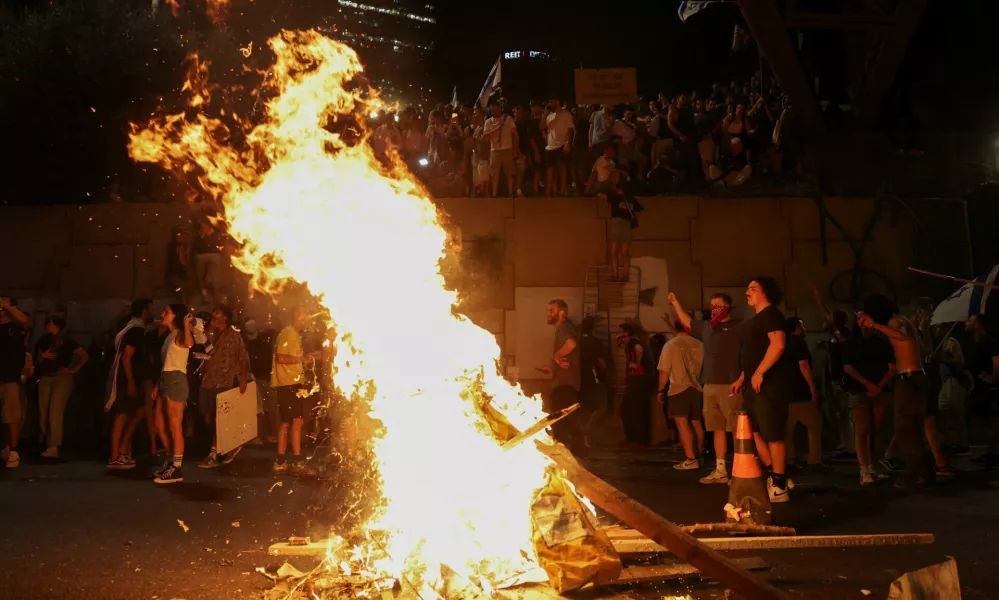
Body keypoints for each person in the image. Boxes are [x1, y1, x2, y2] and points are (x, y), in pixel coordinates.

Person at [669, 292, 743, 484]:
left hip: (730, 385)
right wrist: (676, 302)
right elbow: (688, 322)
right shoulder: (707, 327)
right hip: (709, 385)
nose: (714, 309)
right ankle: (720, 470)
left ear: (727, 308)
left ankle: (740, 471)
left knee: (736, 429)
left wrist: (743, 377)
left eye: (717, 305)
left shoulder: (739, 327)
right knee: (716, 427)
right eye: (712, 306)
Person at [857, 297, 929, 490]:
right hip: (911, 377)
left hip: (909, 378)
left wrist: (875, 325)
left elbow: (901, 336)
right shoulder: (901, 320)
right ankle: (923, 472)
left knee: (905, 428)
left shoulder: (895, 322)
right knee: (910, 427)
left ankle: (916, 475)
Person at [732, 277, 792, 502]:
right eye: (747, 287)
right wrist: (742, 377)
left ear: (766, 292)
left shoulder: (772, 316)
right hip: (752, 386)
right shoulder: (755, 320)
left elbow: (778, 345)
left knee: (773, 434)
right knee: (754, 431)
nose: (747, 292)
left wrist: (760, 373)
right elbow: (753, 355)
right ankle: (774, 474)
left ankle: (779, 484)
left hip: (769, 386)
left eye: (753, 288)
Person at [843, 316, 895, 485]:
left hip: (879, 390)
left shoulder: (882, 342)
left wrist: (878, 386)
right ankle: (864, 468)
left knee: (875, 429)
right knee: (862, 429)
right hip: (859, 389)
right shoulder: (852, 343)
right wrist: (868, 384)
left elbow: (891, 368)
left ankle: (872, 466)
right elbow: (848, 367)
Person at [197, 304, 249, 469]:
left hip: (224, 381)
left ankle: (214, 451)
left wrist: (243, 379)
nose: (214, 316)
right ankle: (227, 445)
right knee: (207, 416)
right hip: (207, 380)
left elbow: (242, 358)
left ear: (225, 317)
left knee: (218, 417)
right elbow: (203, 349)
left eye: (217, 313)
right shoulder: (208, 334)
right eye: (213, 313)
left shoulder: (234, 336)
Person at [272, 307, 323, 475]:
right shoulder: (288, 333)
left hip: (293, 384)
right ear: (297, 316)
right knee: (297, 421)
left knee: (288, 422)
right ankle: (296, 461)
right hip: (288, 385)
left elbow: (292, 359)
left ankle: (281, 461)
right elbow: (281, 358)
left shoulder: (295, 336)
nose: (307, 320)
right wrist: (301, 359)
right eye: (305, 317)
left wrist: (308, 358)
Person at [106, 299, 154, 470]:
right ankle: (114, 456)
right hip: (127, 379)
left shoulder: (135, 327)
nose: (153, 311)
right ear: (144, 311)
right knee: (123, 414)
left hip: (134, 378)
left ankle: (124, 448)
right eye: (151, 308)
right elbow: (127, 356)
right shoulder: (135, 331)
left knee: (138, 411)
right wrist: (131, 381)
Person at [34, 317, 89, 458]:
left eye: (50, 324)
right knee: (43, 412)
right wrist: (43, 356)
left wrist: (73, 370)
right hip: (45, 377)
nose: (47, 326)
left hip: (61, 377)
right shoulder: (44, 340)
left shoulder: (68, 342)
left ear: (57, 326)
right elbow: (36, 357)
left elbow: (84, 356)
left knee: (55, 411)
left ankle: (53, 446)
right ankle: (45, 442)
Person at [536, 299, 586, 455]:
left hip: (565, 385)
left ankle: (566, 454)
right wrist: (552, 368)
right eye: (548, 310)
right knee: (568, 420)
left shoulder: (563, 328)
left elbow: (570, 344)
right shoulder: (567, 327)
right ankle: (575, 452)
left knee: (560, 422)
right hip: (567, 383)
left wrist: (557, 355)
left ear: (562, 313)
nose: (548, 313)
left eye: (551, 310)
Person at [152, 304, 194, 484]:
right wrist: (157, 385)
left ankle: (177, 468)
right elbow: (165, 363)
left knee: (174, 425)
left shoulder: (180, 334)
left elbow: (190, 344)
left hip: (176, 380)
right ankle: (170, 461)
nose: (162, 314)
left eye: (167, 311)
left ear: (175, 316)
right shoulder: (169, 336)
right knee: (159, 424)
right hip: (165, 379)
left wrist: (186, 323)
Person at [657, 319, 705, 470]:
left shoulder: (671, 345)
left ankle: (690, 459)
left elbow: (664, 371)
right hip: (697, 388)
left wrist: (660, 390)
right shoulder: (700, 344)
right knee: (696, 422)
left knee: (682, 423)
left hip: (678, 388)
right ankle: (699, 455)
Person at [783, 318, 824, 471]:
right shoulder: (798, 343)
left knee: (787, 430)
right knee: (814, 426)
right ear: (796, 327)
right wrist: (812, 388)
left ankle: (789, 460)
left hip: (785, 392)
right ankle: (814, 460)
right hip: (800, 392)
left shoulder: (781, 343)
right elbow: (804, 365)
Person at [965, 313, 999, 469]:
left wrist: (993, 378)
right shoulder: (976, 343)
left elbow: (997, 361)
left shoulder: (988, 342)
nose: (966, 323)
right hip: (979, 387)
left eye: (971, 321)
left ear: (978, 324)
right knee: (986, 420)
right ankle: (992, 452)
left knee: (992, 420)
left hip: (988, 388)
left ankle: (994, 454)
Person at [0, 297, 29, 468]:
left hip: (10, 377)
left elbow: (24, 321)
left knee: (12, 415)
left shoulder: (16, 326)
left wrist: (8, 306)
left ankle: (14, 450)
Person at [617, 321, 652, 448]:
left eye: (620, 332)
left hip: (637, 380)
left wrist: (637, 363)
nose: (618, 335)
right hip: (635, 380)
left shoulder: (634, 343)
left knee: (630, 410)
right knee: (629, 409)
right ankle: (634, 438)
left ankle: (635, 439)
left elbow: (639, 349)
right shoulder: (630, 343)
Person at [243, 319, 278, 444]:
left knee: (269, 408)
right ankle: (260, 436)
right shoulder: (248, 342)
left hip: (267, 378)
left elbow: (273, 330)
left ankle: (271, 435)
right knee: (260, 410)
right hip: (257, 379)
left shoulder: (263, 340)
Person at [578, 316, 609, 447]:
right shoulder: (595, 342)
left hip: (578, 378)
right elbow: (601, 363)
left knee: (582, 407)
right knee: (601, 406)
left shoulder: (577, 341)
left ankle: (582, 436)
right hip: (593, 377)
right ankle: (586, 433)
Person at [479, 101, 518, 197]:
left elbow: (515, 134)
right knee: (494, 174)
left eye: (495, 109)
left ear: (500, 109)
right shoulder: (488, 122)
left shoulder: (508, 119)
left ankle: (510, 192)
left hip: (507, 149)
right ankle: (494, 194)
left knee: (509, 173)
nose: (493, 112)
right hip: (495, 151)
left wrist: (515, 149)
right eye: (492, 110)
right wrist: (495, 130)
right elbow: (485, 137)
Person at [602, 189, 642, 283]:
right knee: (623, 252)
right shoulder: (631, 199)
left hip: (617, 223)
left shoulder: (616, 197)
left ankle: (616, 275)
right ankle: (624, 275)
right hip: (626, 224)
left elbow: (602, 196)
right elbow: (640, 208)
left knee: (614, 252)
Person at [542, 97, 574, 197]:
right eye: (549, 101)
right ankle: (548, 192)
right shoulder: (549, 116)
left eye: (551, 101)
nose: (549, 103)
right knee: (550, 170)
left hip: (561, 145)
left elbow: (570, 130)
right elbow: (542, 127)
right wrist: (544, 114)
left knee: (562, 168)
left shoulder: (566, 115)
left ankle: (563, 191)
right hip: (550, 146)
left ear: (558, 102)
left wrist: (568, 143)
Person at [165, 227, 189, 303]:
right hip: (178, 277)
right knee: (183, 299)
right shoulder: (179, 246)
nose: (182, 236)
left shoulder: (170, 245)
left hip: (171, 276)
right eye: (179, 234)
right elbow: (182, 261)